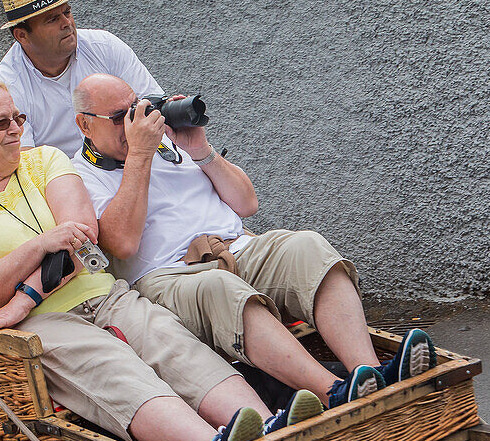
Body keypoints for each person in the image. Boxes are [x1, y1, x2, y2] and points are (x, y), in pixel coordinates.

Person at [0, 76, 324, 441]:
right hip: (45, 321)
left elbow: (83, 239)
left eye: (19, 118)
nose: (16, 130)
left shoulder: (44, 162)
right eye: (1, 122)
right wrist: (40, 245)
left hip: (103, 294)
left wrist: (21, 296)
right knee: (113, 366)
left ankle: (271, 429)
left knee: (170, 342)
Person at [70, 74, 439, 410]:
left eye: (135, 110)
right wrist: (140, 156)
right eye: (119, 117)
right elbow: (121, 245)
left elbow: (247, 203)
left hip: (237, 246)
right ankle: (335, 392)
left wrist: (200, 149)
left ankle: (371, 373)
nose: (133, 123)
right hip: (171, 276)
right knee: (222, 287)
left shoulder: (168, 145)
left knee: (306, 246)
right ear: (84, 124)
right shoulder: (80, 175)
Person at [0, 0, 159, 156]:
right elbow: (24, 161)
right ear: (22, 36)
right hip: (63, 179)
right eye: (52, 19)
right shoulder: (5, 87)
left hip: (130, 155)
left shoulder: (104, 45)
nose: (67, 23)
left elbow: (154, 103)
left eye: (67, 12)